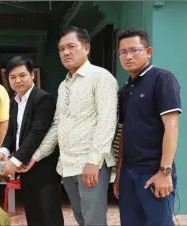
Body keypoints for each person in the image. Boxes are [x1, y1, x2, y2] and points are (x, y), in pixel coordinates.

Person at [24, 27, 119, 226]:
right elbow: (57, 124)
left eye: (71, 47)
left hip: (90, 163)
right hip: (67, 164)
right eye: (61, 49)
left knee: (94, 220)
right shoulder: (64, 85)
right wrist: (36, 155)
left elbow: (107, 120)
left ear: (86, 48)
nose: (65, 52)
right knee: (81, 218)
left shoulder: (101, 77)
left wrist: (94, 161)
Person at [114, 28, 181, 226]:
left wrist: (164, 172)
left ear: (148, 51)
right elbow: (124, 133)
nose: (128, 56)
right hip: (129, 173)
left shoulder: (162, 79)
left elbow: (172, 126)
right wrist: (119, 174)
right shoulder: (126, 89)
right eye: (123, 52)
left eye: (134, 50)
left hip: (153, 172)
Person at [0, 56, 64, 226]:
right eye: (12, 77)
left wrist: (15, 160)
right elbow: (12, 131)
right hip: (25, 170)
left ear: (32, 75)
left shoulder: (43, 99)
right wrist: (3, 151)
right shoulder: (14, 102)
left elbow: (36, 133)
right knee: (33, 215)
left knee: (49, 216)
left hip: (44, 168)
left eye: (22, 75)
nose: (17, 80)